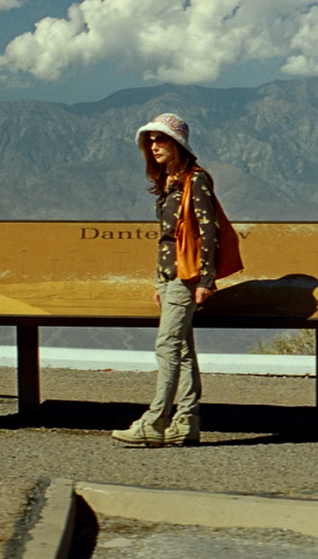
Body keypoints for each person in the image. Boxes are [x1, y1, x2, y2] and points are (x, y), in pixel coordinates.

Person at [113, 113, 224, 447]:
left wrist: (206, 279)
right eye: (150, 140)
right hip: (170, 278)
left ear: (177, 144)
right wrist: (160, 282)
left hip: (186, 278)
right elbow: (168, 239)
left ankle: (155, 420)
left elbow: (209, 232)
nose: (153, 145)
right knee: (183, 350)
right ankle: (186, 422)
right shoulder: (169, 183)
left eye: (160, 139)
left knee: (166, 345)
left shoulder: (196, 180)